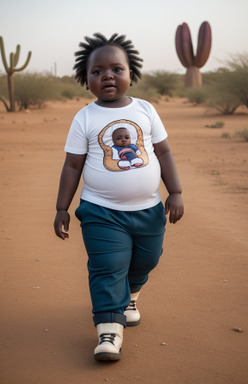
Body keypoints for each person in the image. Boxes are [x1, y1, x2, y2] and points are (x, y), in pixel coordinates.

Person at [54, 33, 184, 362]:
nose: (107, 75)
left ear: (131, 73)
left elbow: (163, 152)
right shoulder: (85, 117)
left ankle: (130, 296)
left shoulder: (145, 109)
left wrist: (176, 191)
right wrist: (61, 207)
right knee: (108, 266)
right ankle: (109, 329)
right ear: (86, 80)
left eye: (116, 68)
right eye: (97, 71)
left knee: (147, 260)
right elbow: (72, 165)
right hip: (101, 210)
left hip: (149, 209)